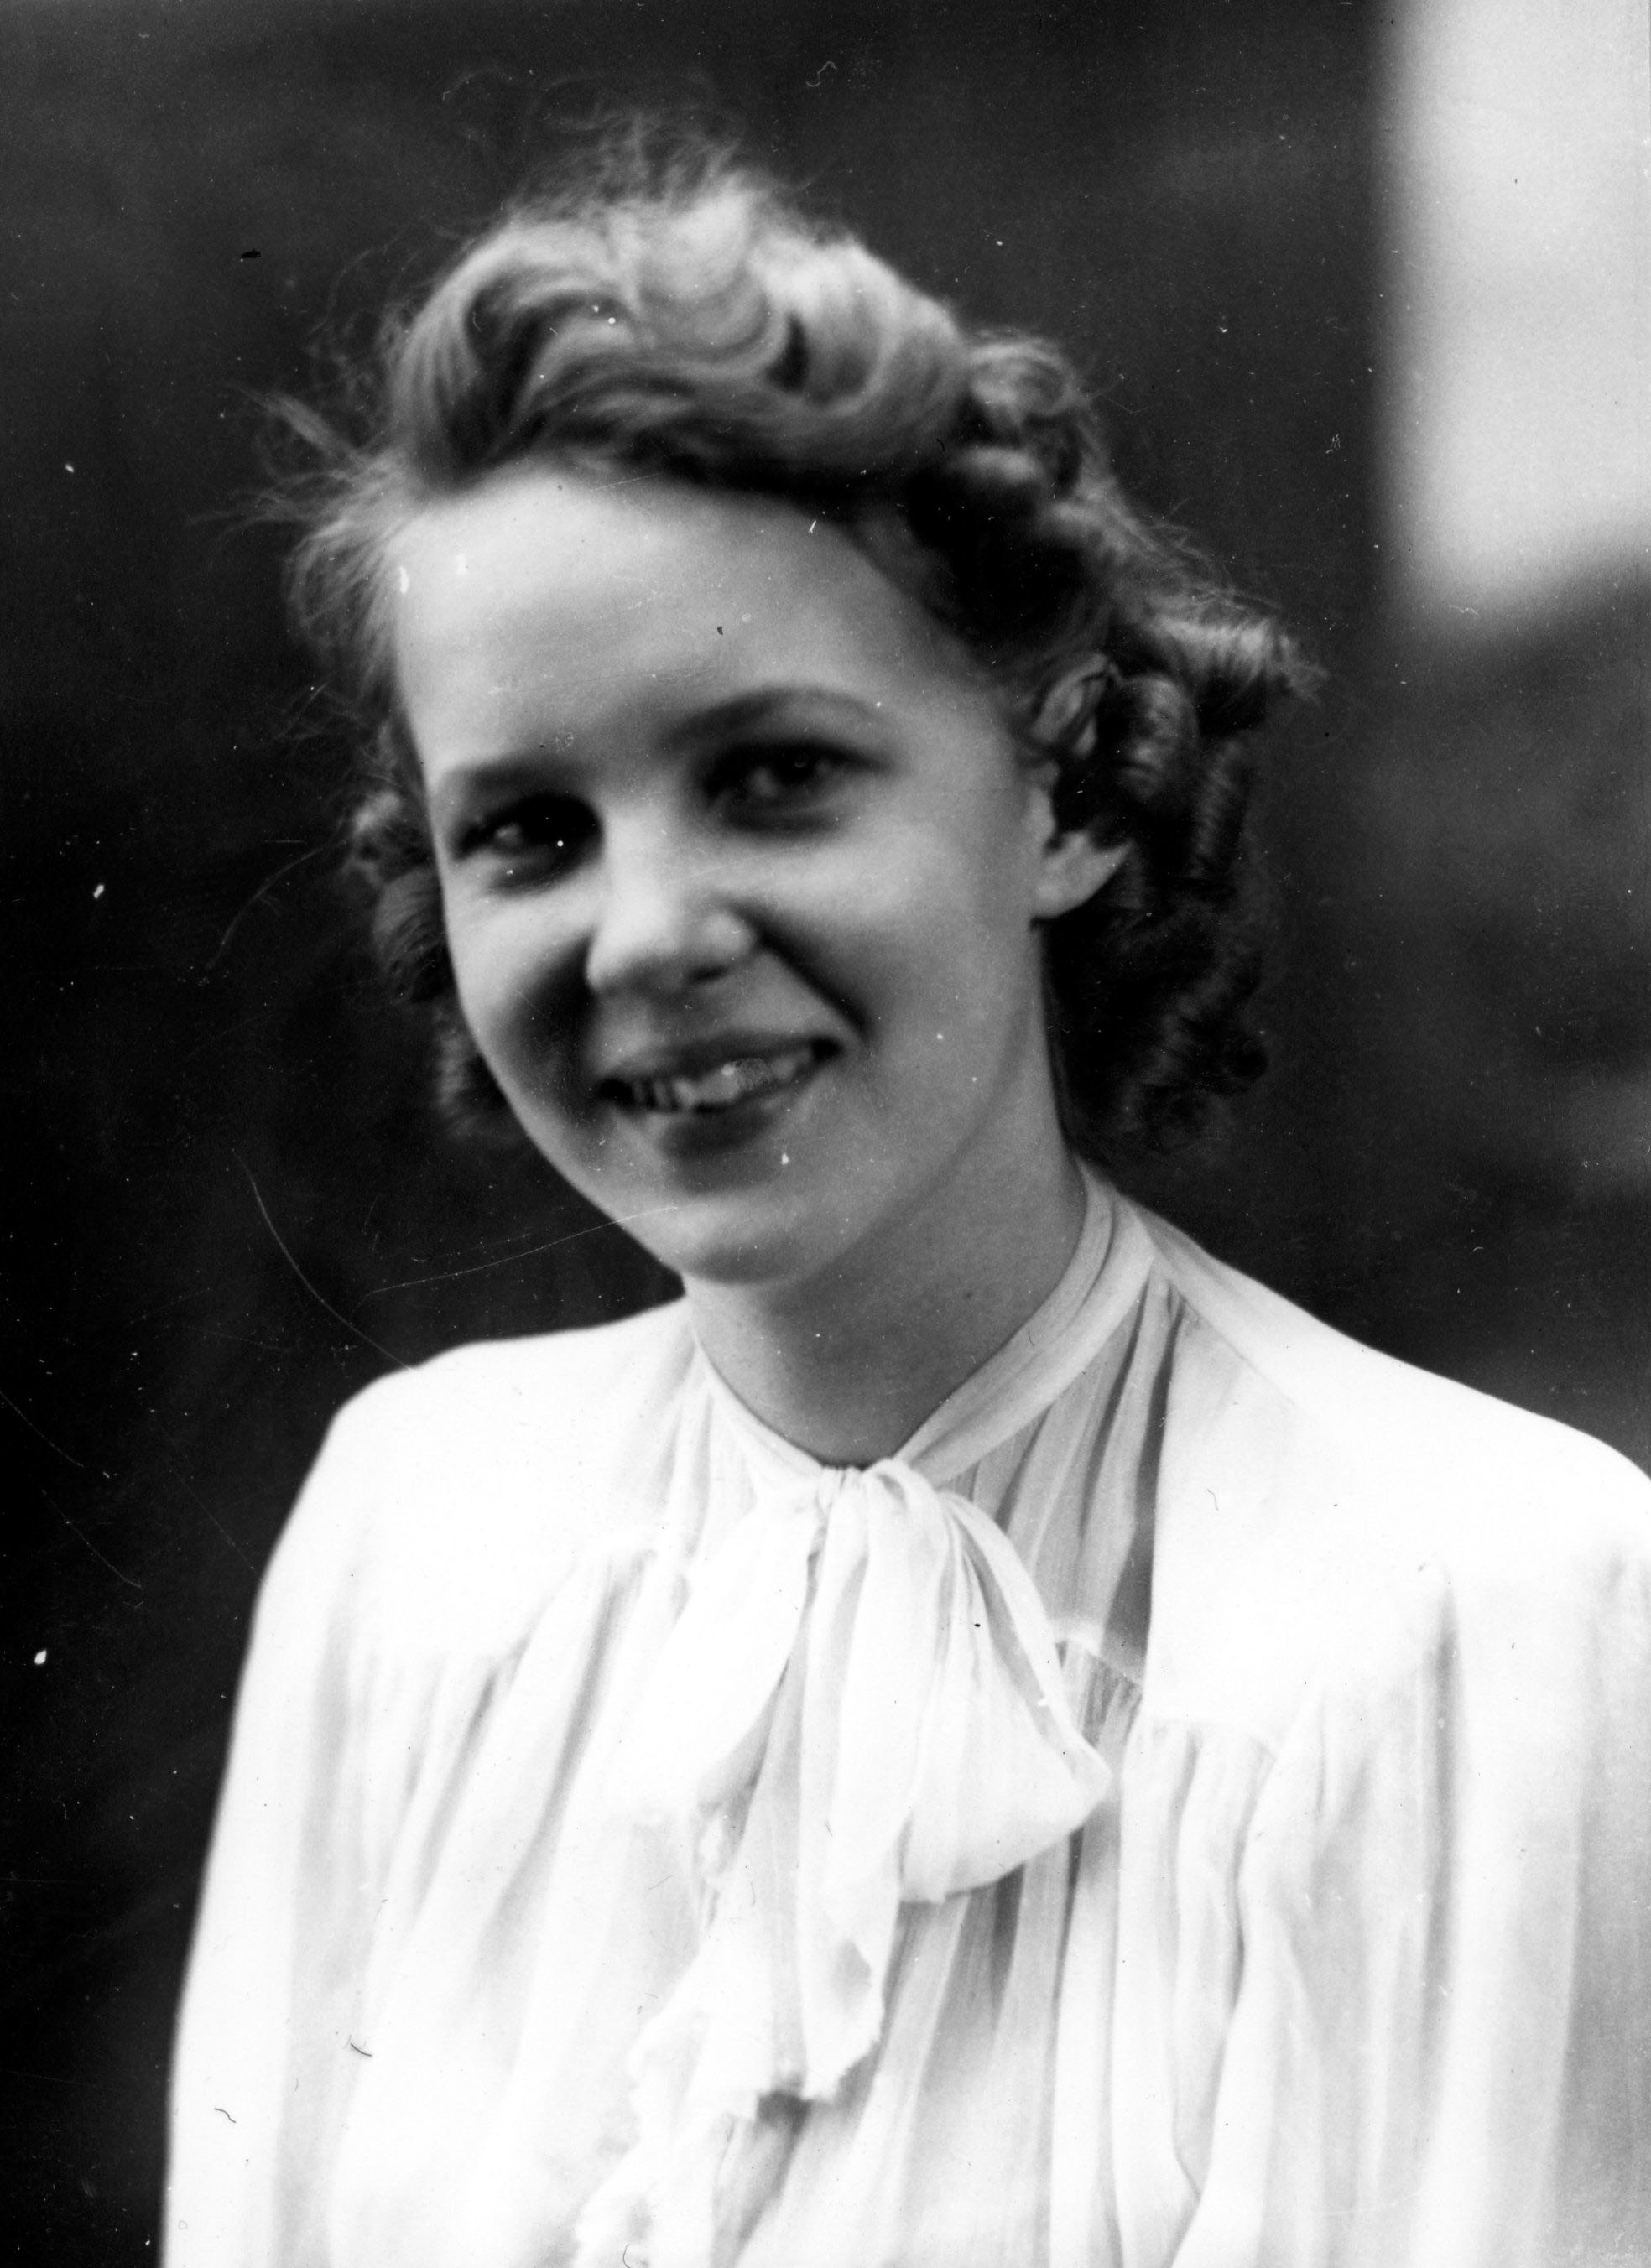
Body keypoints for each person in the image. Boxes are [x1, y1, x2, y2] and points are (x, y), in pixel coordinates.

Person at [165, 148, 1651, 2268]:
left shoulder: (1475, 1612)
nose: (646, 933)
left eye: (774, 775)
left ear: (1063, 787)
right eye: (531, 831)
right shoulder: (416, 1539)